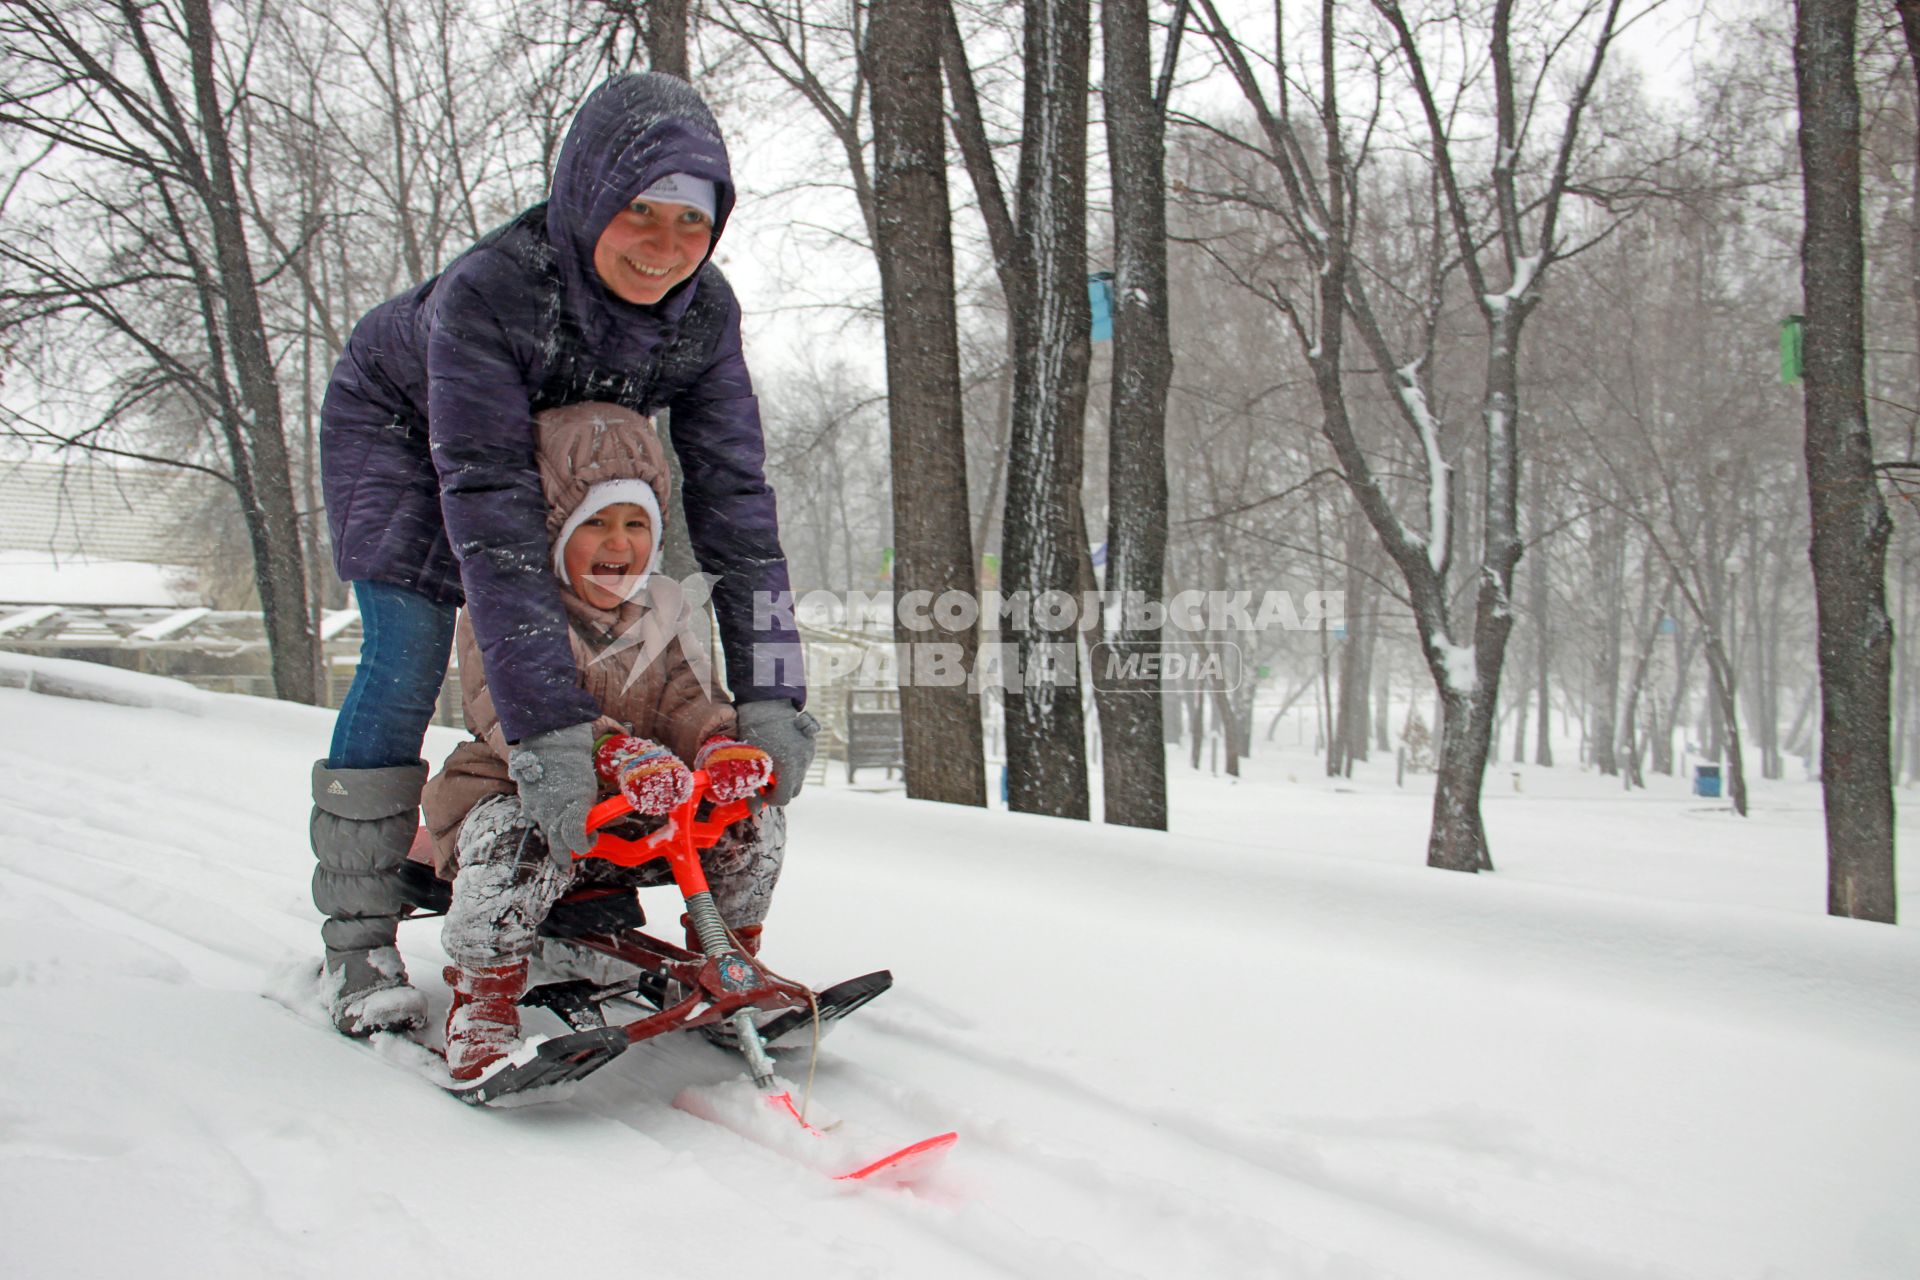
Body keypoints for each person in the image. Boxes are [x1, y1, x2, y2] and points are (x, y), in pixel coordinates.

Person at [310, 72, 817, 1037]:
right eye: (640, 212)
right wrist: (550, 732)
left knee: (618, 636)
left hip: (571, 468)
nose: (665, 249)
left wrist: (774, 695)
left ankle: (571, 900)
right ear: (589, 192)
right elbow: (495, 522)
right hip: (410, 435)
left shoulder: (705, 315)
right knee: (415, 647)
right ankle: (360, 938)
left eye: (691, 223)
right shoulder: (493, 293)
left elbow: (739, 506)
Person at [420, 402, 780, 1082]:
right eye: (597, 524)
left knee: (755, 825)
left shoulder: (664, 614)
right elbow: (504, 704)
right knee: (511, 839)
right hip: (520, 789)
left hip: (639, 811)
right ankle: (485, 1002)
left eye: (636, 524)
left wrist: (716, 745)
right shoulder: (506, 610)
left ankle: (726, 956)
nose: (620, 544)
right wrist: (607, 750)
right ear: (554, 530)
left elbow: (688, 697)